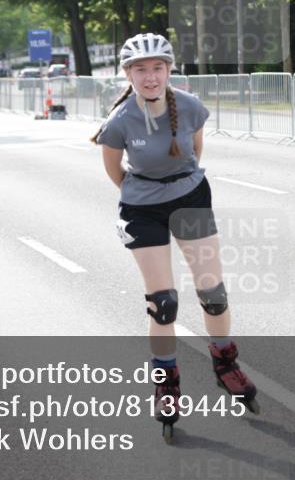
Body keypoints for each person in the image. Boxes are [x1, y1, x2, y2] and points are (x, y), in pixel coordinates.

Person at [91, 33, 259, 442]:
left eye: (157, 68)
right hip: (141, 206)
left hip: (189, 194)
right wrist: (145, 195)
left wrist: (176, 187)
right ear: (128, 74)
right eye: (140, 69)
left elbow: (194, 154)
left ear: (169, 70)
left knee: (213, 292)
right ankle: (166, 381)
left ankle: (224, 361)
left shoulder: (189, 106)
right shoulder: (118, 122)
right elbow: (116, 172)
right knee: (162, 303)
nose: (150, 77)